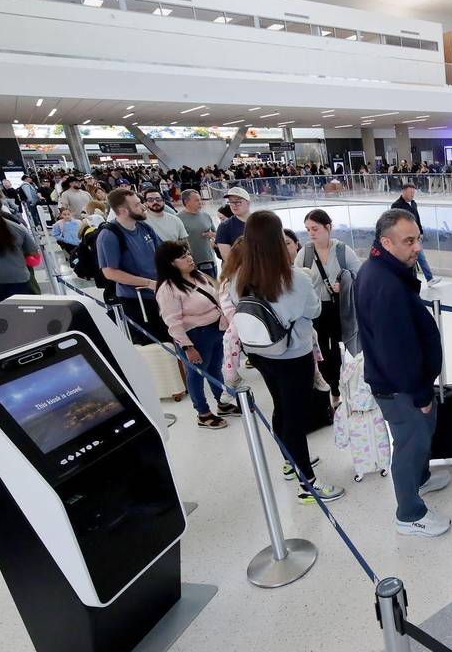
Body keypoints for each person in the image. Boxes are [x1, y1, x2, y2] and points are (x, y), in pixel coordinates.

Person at [222, 211, 344, 504]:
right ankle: (308, 484)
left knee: (280, 406)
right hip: (292, 355)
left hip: (260, 353)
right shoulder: (296, 278)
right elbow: (314, 311)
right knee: (295, 416)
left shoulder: (239, 277)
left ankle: (290, 461)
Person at [355, 209, 450, 537]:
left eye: (418, 239)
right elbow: (397, 352)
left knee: (422, 437)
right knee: (411, 443)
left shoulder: (383, 271)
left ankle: (420, 480)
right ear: (386, 242)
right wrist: (422, 393)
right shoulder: (385, 285)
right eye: (409, 241)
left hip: (403, 382)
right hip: (400, 388)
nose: (417, 248)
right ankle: (409, 514)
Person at [154, 241, 236, 429]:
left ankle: (222, 402)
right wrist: (187, 346)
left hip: (215, 329)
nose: (190, 258)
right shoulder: (168, 288)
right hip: (195, 336)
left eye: (188, 254)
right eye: (183, 257)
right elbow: (172, 321)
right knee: (196, 375)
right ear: (170, 263)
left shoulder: (198, 275)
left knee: (215, 368)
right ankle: (203, 413)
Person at [297, 208, 363, 403]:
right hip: (316, 311)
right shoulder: (305, 253)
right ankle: (334, 390)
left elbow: (359, 276)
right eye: (308, 229)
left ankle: (344, 385)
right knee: (325, 353)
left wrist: (345, 284)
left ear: (328, 227)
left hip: (341, 309)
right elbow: (297, 280)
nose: (311, 233)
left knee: (341, 348)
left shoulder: (342, 251)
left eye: (315, 229)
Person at [96, 189, 168, 344]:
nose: (143, 207)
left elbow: (163, 252)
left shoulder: (144, 227)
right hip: (136, 301)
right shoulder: (109, 235)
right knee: (153, 345)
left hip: (159, 295)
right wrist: (147, 283)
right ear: (124, 210)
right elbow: (110, 272)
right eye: (137, 204)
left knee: (170, 338)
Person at [391, 182, 440, 284]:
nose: (412, 195)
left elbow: (417, 219)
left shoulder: (414, 203)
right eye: (410, 192)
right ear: (404, 192)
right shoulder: (396, 205)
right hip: (404, 238)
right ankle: (411, 280)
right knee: (408, 259)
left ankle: (429, 279)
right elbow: (395, 223)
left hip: (415, 237)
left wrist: (420, 232)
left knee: (420, 257)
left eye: (413, 192)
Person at [176, 189, 218, 277]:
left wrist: (213, 236)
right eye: (196, 200)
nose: (200, 202)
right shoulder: (178, 219)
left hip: (209, 259)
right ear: (186, 202)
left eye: (200, 200)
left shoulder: (206, 216)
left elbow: (216, 234)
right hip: (191, 263)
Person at [214, 187, 251, 261]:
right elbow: (228, 258)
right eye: (231, 202)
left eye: (238, 202)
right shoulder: (224, 227)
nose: (234, 205)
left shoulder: (262, 222)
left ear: (248, 203)